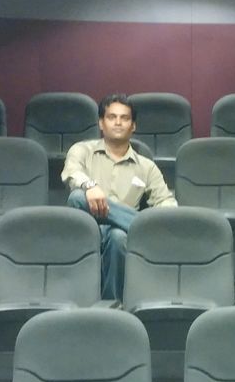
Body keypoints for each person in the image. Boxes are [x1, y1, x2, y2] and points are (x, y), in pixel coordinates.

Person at [62, 94, 177, 300]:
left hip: (123, 231)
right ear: (101, 123)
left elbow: (166, 201)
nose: (117, 122)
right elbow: (71, 172)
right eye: (111, 117)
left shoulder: (146, 166)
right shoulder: (82, 150)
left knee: (118, 237)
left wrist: (165, 215)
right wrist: (90, 186)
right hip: (89, 229)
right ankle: (145, 227)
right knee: (77, 197)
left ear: (133, 126)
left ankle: (112, 306)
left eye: (124, 118)